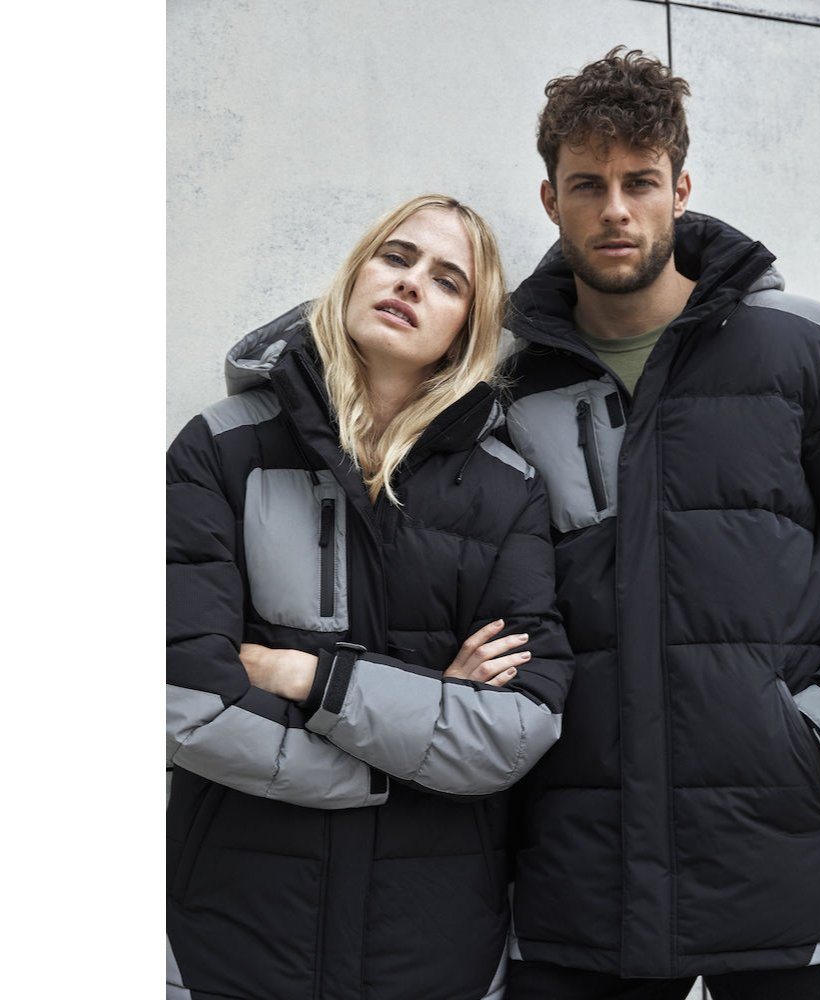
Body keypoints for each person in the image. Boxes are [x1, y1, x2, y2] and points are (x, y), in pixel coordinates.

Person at [166, 194, 574, 1000]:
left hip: (433, 945)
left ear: (467, 326)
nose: (412, 282)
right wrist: (421, 729)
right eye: (397, 256)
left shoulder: (507, 489)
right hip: (234, 931)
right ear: (357, 272)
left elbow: (519, 725)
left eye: (448, 280)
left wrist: (306, 677)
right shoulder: (222, 448)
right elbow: (189, 700)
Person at [500, 48, 820, 999]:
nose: (616, 209)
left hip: (780, 845)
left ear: (679, 191)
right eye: (588, 184)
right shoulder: (510, 381)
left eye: (640, 181)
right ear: (550, 199)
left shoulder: (800, 349)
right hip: (578, 860)